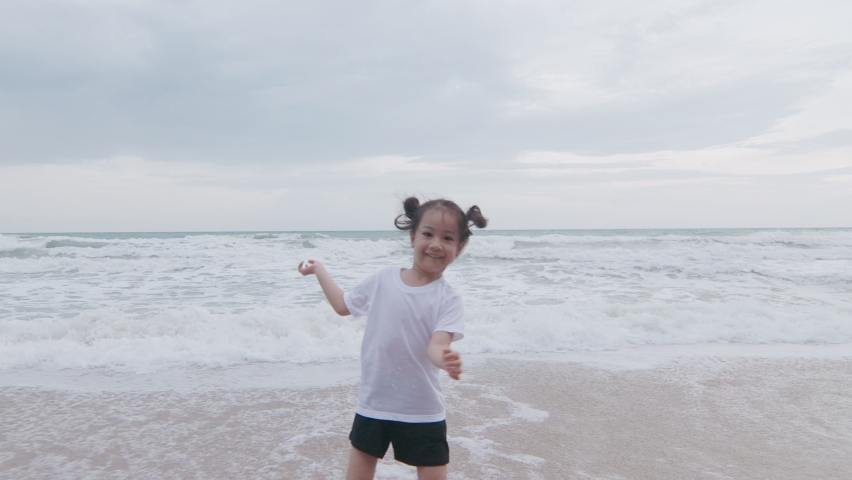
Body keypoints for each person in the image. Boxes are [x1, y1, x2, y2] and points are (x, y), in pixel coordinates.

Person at [298, 197, 488, 480]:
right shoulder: (383, 279)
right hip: (375, 402)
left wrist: (445, 360)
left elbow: (437, 345)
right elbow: (342, 305)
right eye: (428, 234)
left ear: (459, 247)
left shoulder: (449, 299)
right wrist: (319, 270)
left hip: (422, 408)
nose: (436, 244)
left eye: (447, 238)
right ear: (413, 237)